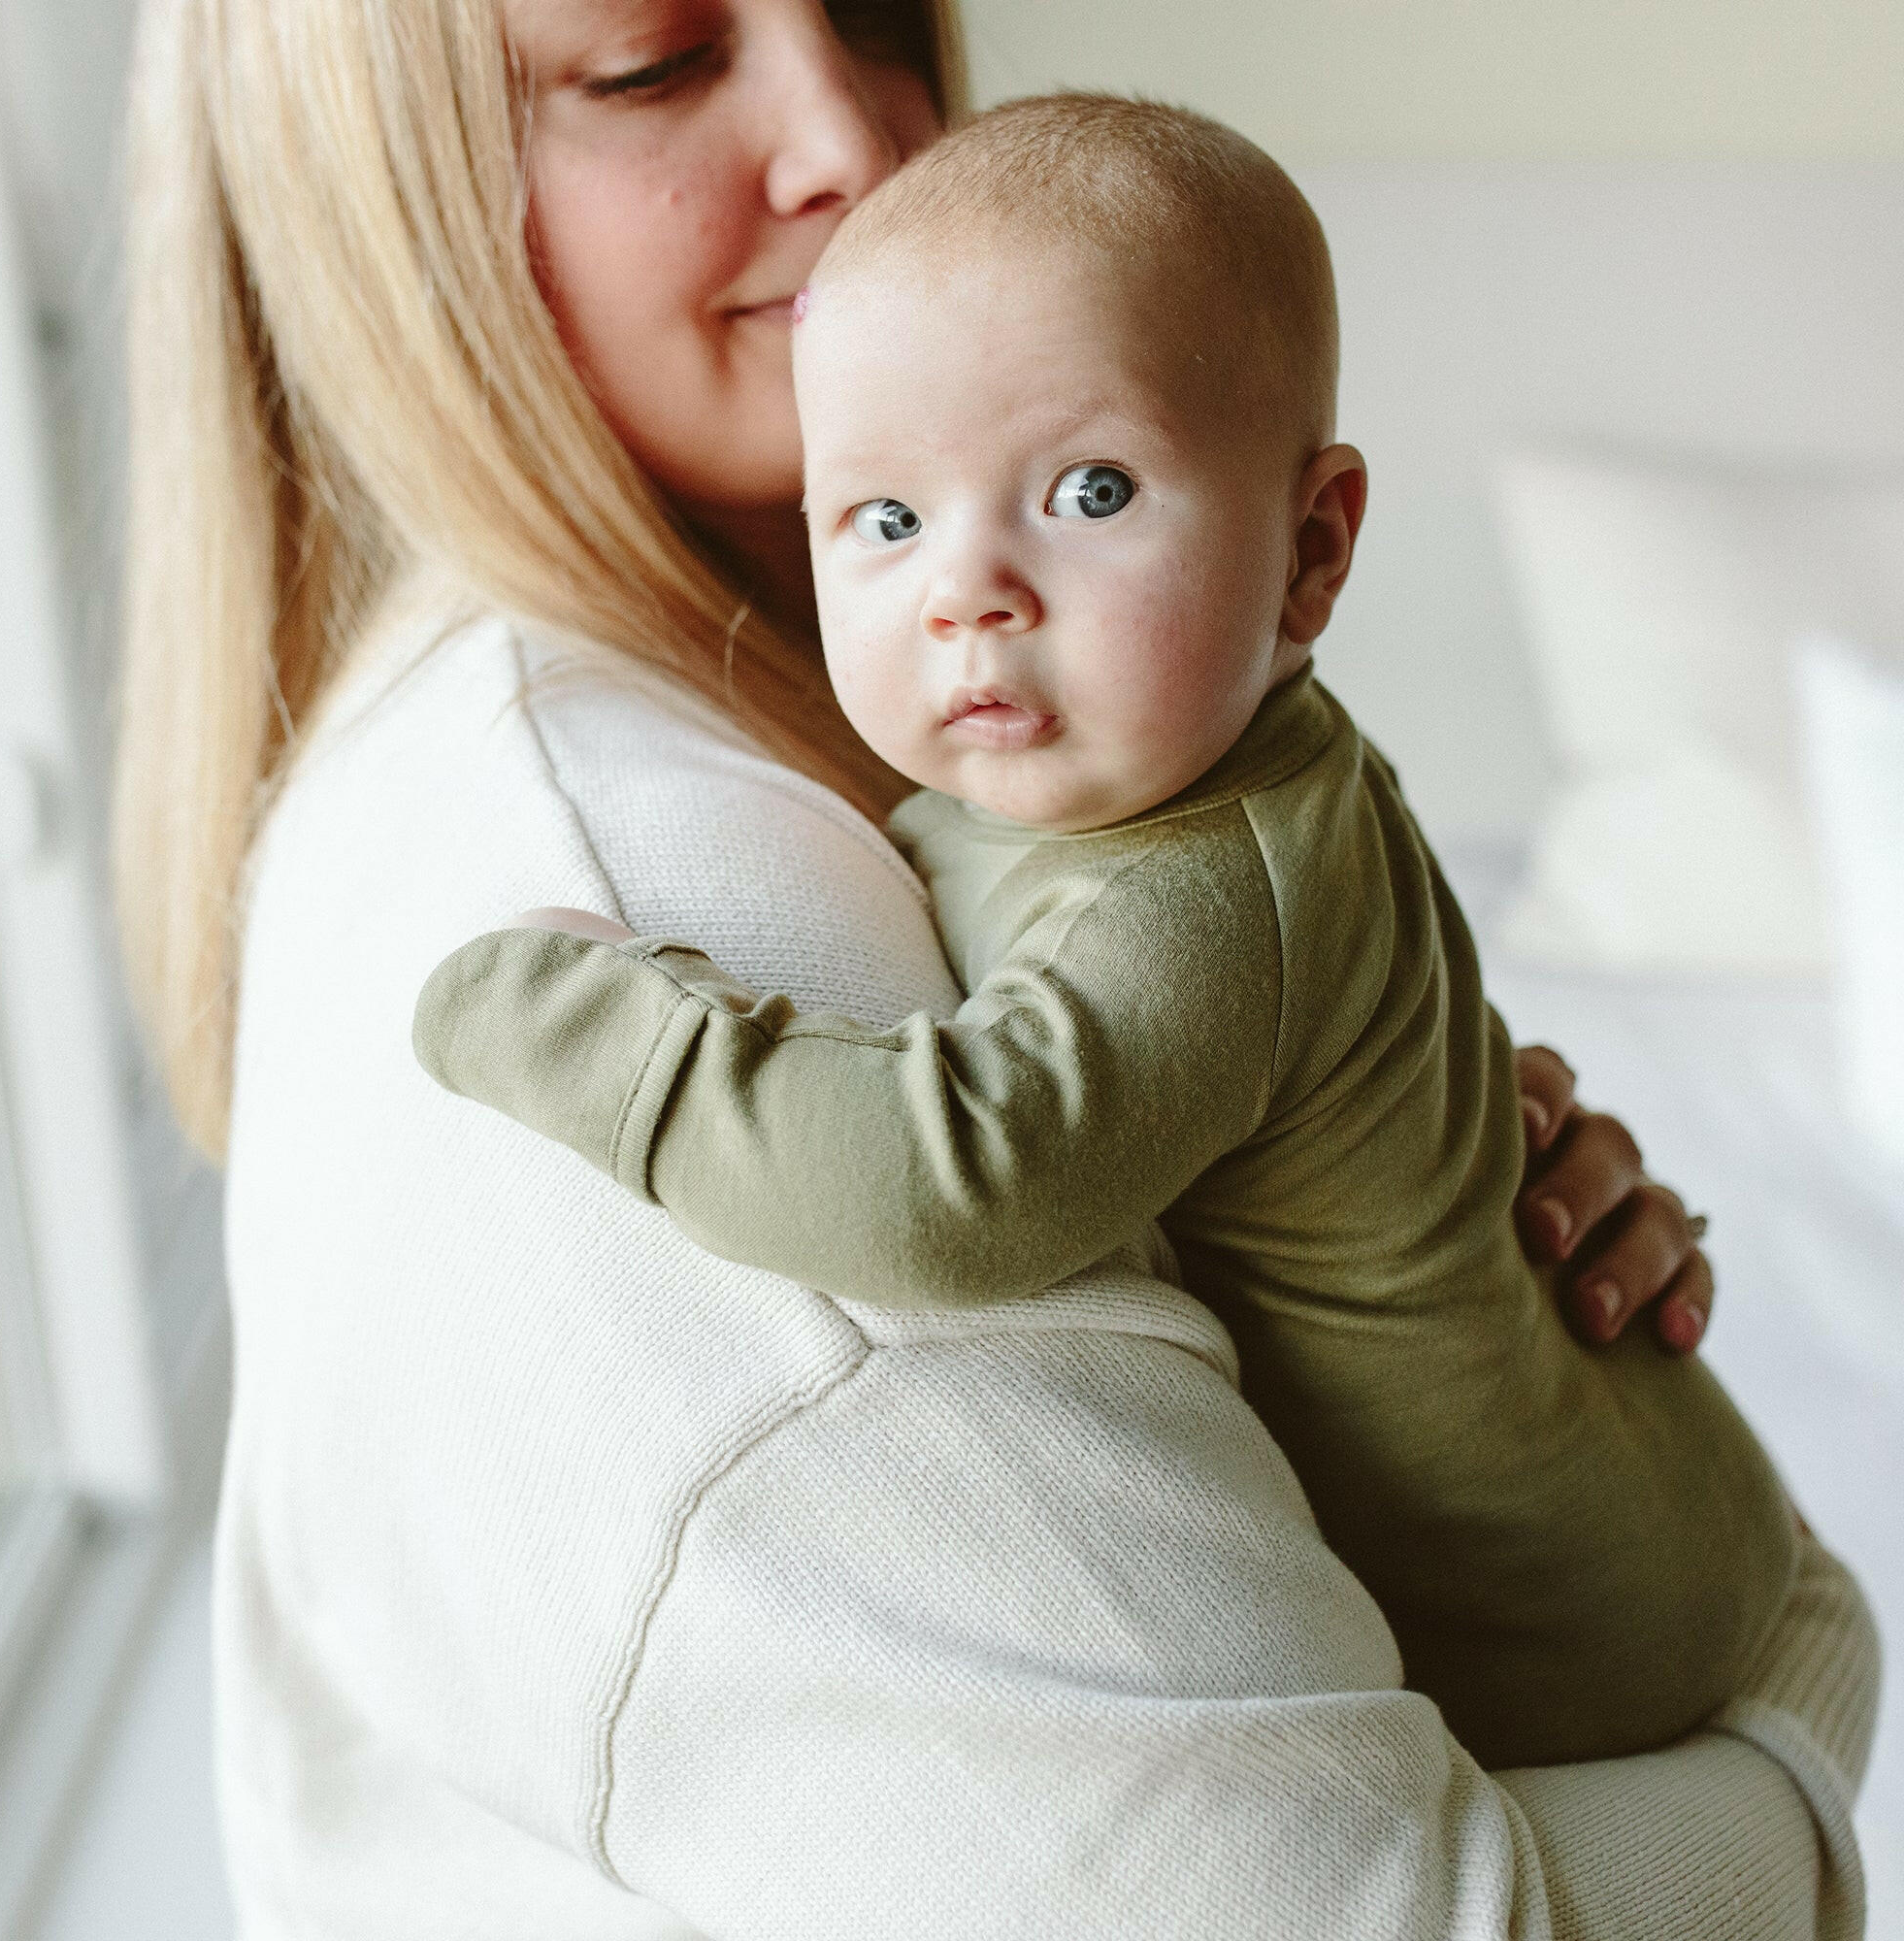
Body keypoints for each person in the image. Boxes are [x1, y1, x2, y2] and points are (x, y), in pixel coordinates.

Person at [112, 3, 1876, 1936]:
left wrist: (1490, 1203)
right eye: (649, 60)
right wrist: (1800, 1706)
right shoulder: (646, 860)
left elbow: (950, 1168)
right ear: (377, 192)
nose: (857, 143)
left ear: (1312, 555)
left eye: (877, 9)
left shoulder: (1053, 809)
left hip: (1624, 1597)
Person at [413, 94, 1798, 1773]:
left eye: (1087, 488)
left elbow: (936, 1189)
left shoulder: (1199, 889)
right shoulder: (1137, 782)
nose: (968, 589)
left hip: (1566, 1628)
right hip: (1641, 1486)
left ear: (1310, 554)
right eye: (888, 519)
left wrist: (579, 1015)